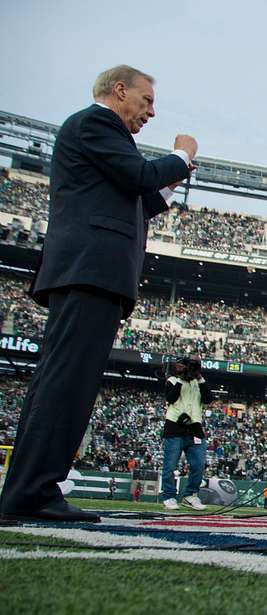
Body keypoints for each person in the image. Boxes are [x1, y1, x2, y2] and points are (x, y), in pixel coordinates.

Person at [0, 65, 197, 523]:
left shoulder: (103, 139)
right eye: (146, 101)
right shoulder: (94, 122)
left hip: (93, 274)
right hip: (89, 271)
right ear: (120, 90)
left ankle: (31, 490)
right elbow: (140, 175)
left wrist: (169, 181)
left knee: (70, 384)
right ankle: (30, 493)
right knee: (65, 384)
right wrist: (183, 157)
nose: (151, 111)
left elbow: (139, 197)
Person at [160, 357, 213, 511]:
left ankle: (190, 495)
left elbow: (208, 399)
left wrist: (199, 377)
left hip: (195, 428)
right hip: (175, 427)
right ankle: (169, 496)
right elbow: (170, 398)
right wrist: (181, 379)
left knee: (198, 464)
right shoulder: (172, 380)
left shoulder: (198, 383)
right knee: (170, 465)